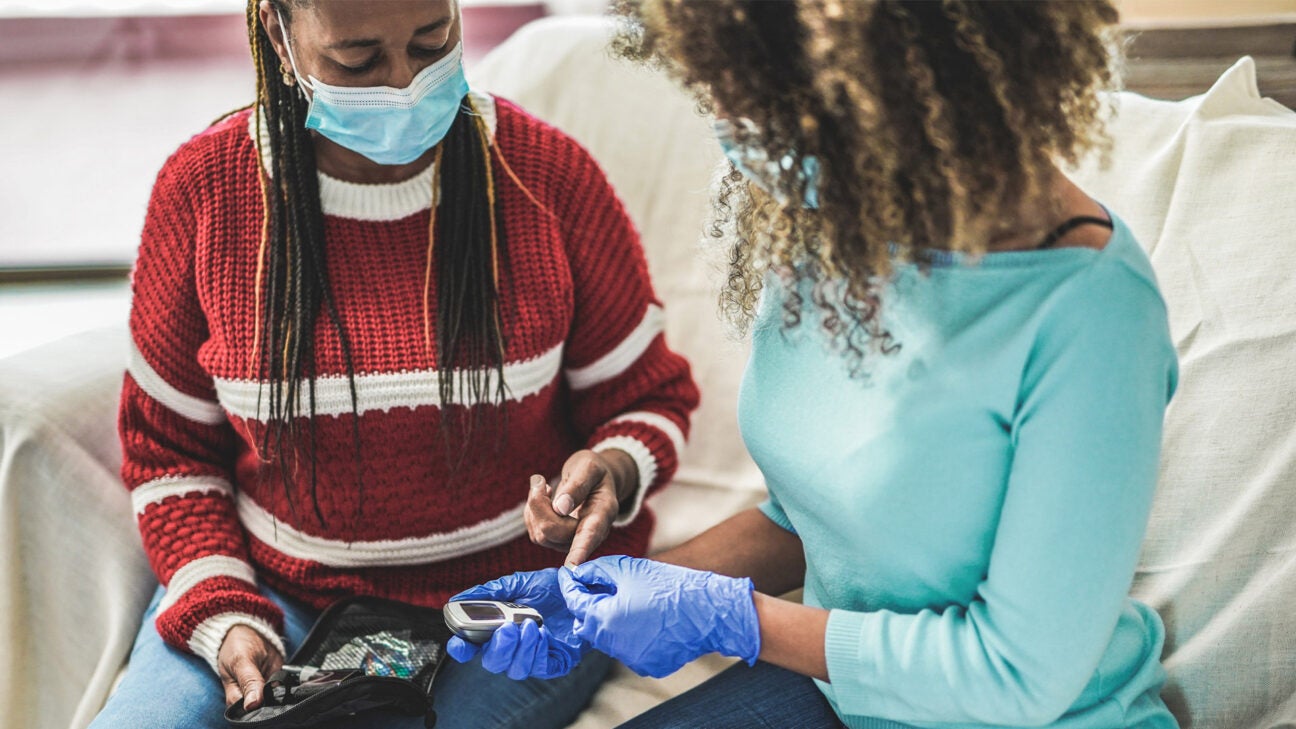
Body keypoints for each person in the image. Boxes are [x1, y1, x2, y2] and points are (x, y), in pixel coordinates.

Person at [452, 2, 1181, 728]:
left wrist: (733, 620)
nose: (743, 143)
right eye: (722, 104)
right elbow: (824, 521)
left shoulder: (1092, 311)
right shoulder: (844, 217)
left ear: (905, 81)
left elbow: (1015, 677)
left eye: (767, 114)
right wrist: (609, 591)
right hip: (847, 696)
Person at [91, 1, 698, 727]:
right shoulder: (205, 194)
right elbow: (170, 455)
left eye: (431, 41)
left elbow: (649, 397)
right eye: (358, 60)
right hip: (277, 588)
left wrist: (615, 470)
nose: (407, 84)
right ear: (279, 33)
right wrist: (224, 614)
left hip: (512, 601)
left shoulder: (545, 176)